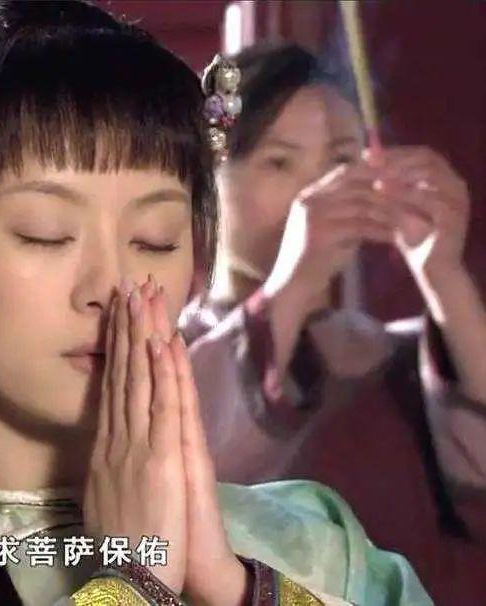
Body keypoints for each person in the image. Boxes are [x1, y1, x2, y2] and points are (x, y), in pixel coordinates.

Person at [0, 4, 432, 605]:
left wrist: (231, 586)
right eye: (45, 233)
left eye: (154, 240)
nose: (109, 286)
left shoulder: (313, 545)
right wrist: (132, 581)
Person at [179, 42, 486, 604]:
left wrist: (444, 274)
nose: (319, 188)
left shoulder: (391, 356)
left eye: (343, 161)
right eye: (280, 162)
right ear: (207, 180)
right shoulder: (172, 349)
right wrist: (292, 284)